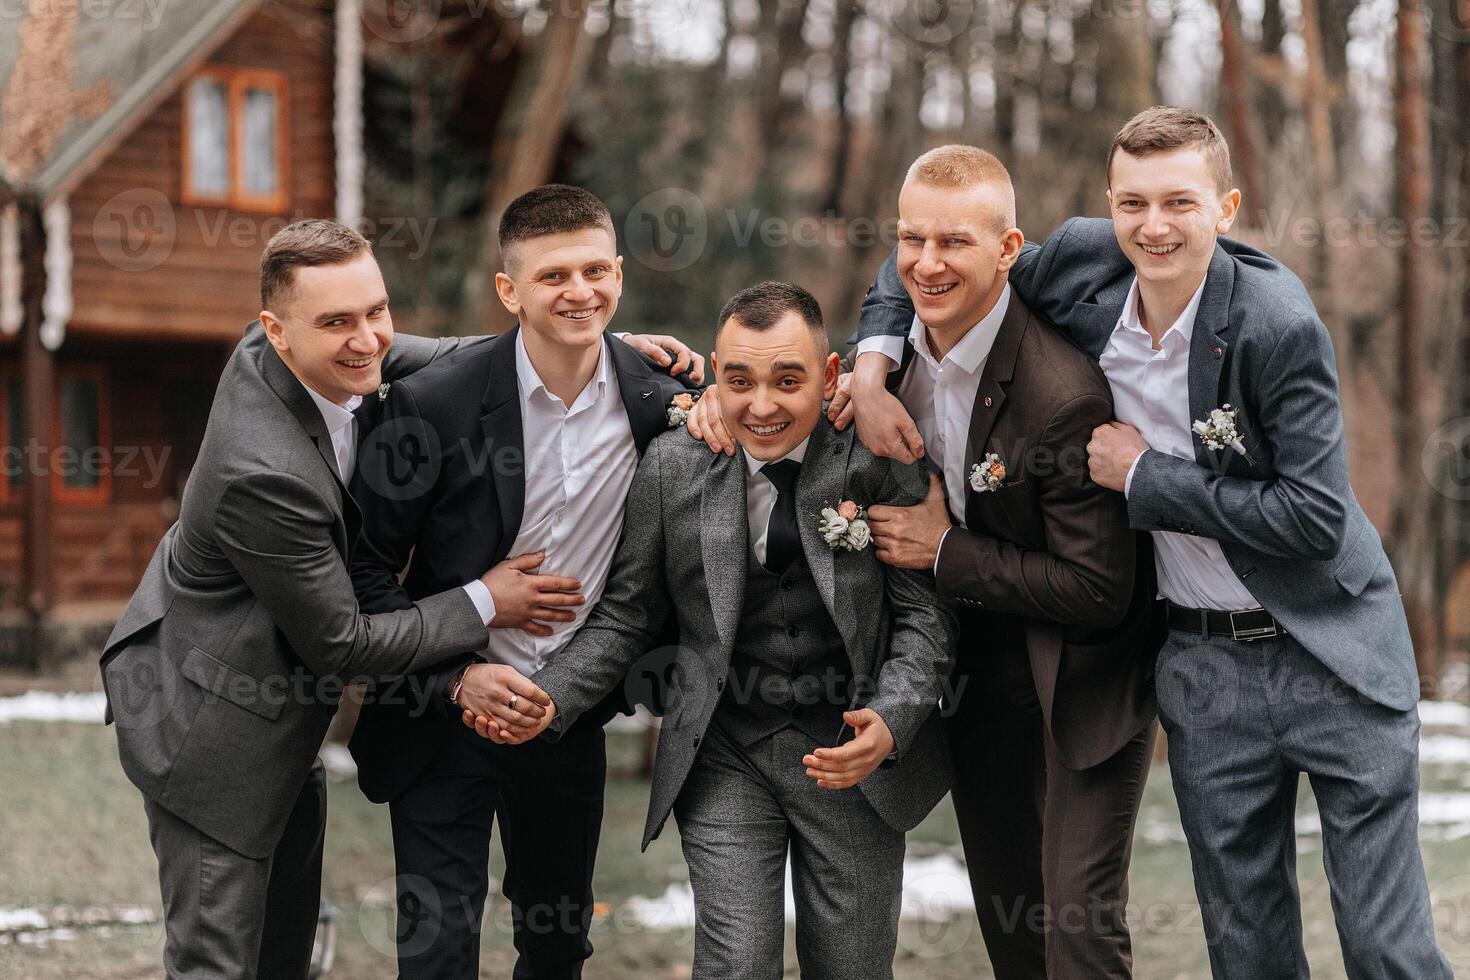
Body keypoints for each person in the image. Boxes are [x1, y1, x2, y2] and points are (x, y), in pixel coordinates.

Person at [845, 107, 1453, 978]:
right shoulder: (1088, 269)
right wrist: (869, 368)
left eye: (1180, 203)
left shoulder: (1275, 324)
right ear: (1109, 206)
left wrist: (1146, 478)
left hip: (1333, 653)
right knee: (1246, 946)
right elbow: (927, 257)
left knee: (1384, 942)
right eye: (1134, 203)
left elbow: (1314, 519)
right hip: (1203, 665)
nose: (1155, 227)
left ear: (1227, 206)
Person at [691, 146, 1161, 978]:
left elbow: (1100, 590)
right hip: (971, 684)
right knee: (1013, 932)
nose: (927, 263)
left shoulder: (1062, 394)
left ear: (1010, 251)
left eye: (955, 244)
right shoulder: (887, 362)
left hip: (1079, 684)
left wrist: (946, 550)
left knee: (1077, 936)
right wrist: (706, 403)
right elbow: (778, 391)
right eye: (913, 239)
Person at [473, 281, 957, 980]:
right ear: (715, 375)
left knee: (852, 967)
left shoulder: (876, 457)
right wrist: (553, 696)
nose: (761, 405)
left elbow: (923, 616)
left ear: (828, 378)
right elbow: (628, 613)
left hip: (851, 751)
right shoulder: (674, 467)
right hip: (726, 750)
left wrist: (890, 719)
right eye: (740, 380)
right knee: (736, 965)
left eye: (788, 381)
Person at [99, 220, 498, 980]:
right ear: (277, 333)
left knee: (286, 957)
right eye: (338, 323)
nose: (369, 339)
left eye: (376, 310)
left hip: (276, 714)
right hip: (207, 734)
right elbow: (343, 646)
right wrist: (485, 601)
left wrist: (585, 354)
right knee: (217, 963)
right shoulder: (263, 469)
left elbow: (434, 356)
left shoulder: (299, 349)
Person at [346, 184, 702, 979]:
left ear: (618, 273)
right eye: (551, 277)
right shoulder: (431, 404)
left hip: (565, 715)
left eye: (592, 271)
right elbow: (364, 568)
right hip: (442, 717)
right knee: (436, 953)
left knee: (556, 946)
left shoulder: (664, 403)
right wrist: (456, 675)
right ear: (510, 290)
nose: (578, 292)